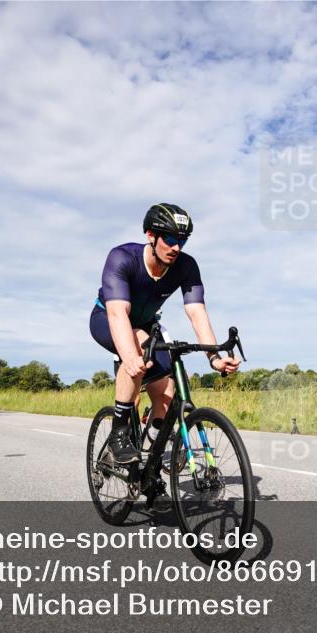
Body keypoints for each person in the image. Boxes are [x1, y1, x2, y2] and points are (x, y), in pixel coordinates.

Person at [89, 203, 240, 511]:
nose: (176, 247)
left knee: (168, 391)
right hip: (107, 319)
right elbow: (118, 314)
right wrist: (130, 357)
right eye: (170, 239)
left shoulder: (186, 265)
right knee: (137, 350)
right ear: (151, 235)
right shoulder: (123, 258)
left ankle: (149, 466)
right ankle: (119, 432)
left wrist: (213, 358)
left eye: (182, 240)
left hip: (147, 326)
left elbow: (197, 312)